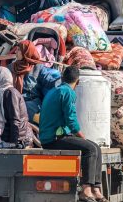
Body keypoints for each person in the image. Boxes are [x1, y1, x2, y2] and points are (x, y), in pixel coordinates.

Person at [39, 66, 108, 202]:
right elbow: (71, 120)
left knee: (96, 148)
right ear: (78, 81)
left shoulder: (54, 91)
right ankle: (86, 190)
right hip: (54, 139)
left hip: (50, 137)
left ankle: (96, 189)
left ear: (63, 78)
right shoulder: (68, 92)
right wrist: (82, 136)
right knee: (91, 148)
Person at [0, 66, 34, 147]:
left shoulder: (10, 93)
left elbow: (15, 120)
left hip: (19, 138)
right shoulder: (1, 93)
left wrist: (14, 143)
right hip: (9, 135)